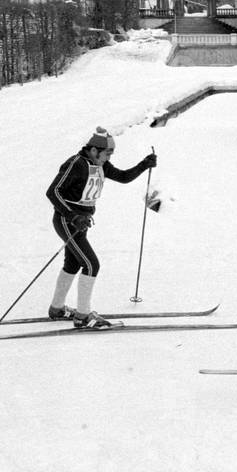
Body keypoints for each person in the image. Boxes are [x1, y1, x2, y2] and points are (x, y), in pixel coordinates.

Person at [45, 127, 157, 329]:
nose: (108, 158)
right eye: (107, 153)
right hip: (66, 220)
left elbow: (123, 177)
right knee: (91, 264)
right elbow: (53, 192)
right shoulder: (76, 164)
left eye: (110, 154)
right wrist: (73, 215)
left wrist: (144, 165)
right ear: (94, 150)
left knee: (73, 264)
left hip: (81, 221)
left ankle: (57, 309)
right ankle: (83, 315)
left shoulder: (98, 164)